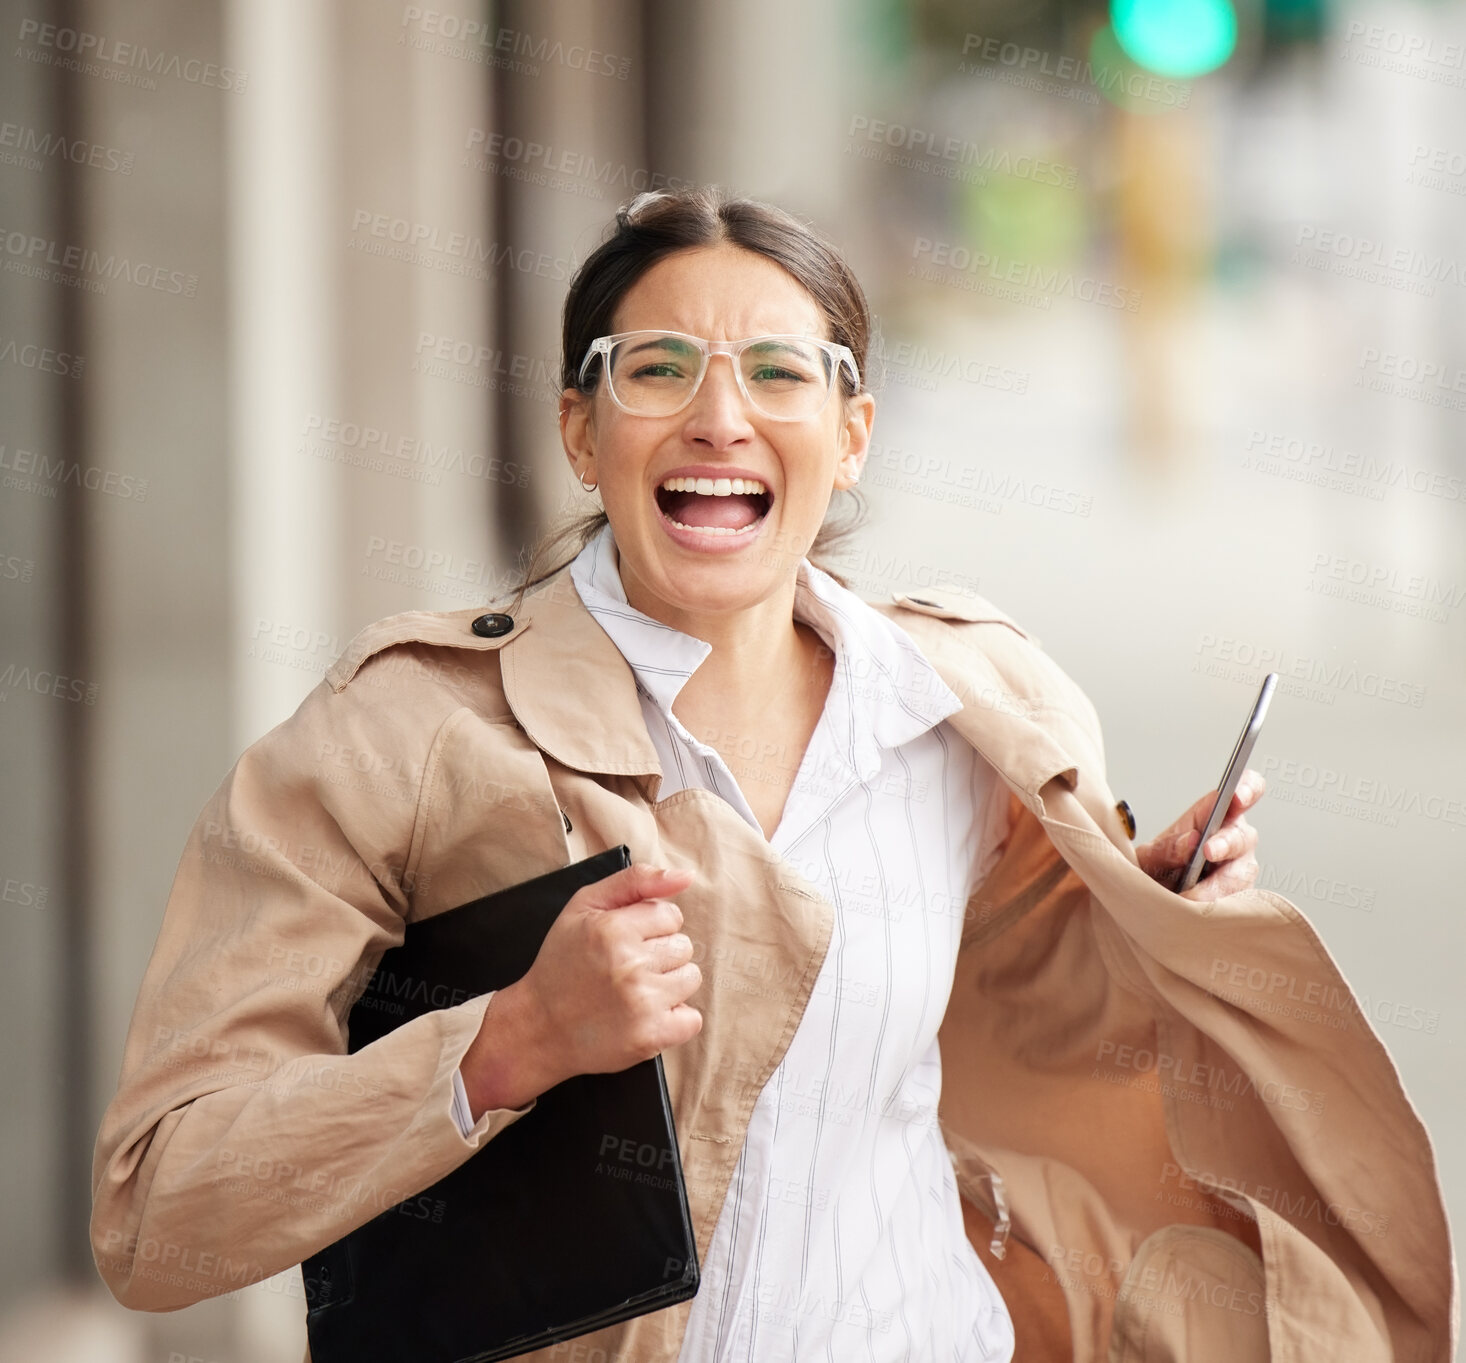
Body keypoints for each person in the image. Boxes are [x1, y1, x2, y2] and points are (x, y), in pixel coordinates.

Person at [91, 188, 1454, 1362]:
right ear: (580, 430)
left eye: (779, 373)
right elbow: (156, 1211)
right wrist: (510, 1043)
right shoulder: (401, 739)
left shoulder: (974, 708)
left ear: (850, 434)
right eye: (658, 367)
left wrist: (1140, 912)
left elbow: (1014, 1033)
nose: (719, 416)